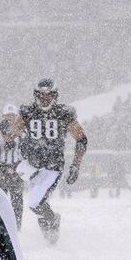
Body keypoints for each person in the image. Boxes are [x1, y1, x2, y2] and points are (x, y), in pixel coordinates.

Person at [14, 78, 88, 244]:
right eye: (42, 95)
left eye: (49, 95)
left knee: (35, 202)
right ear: (36, 95)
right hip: (32, 166)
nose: (45, 99)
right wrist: (13, 134)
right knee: (39, 201)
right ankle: (49, 232)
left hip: (52, 166)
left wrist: (75, 166)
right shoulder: (27, 112)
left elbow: (81, 139)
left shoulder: (64, 113)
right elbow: (11, 135)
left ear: (55, 95)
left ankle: (52, 223)